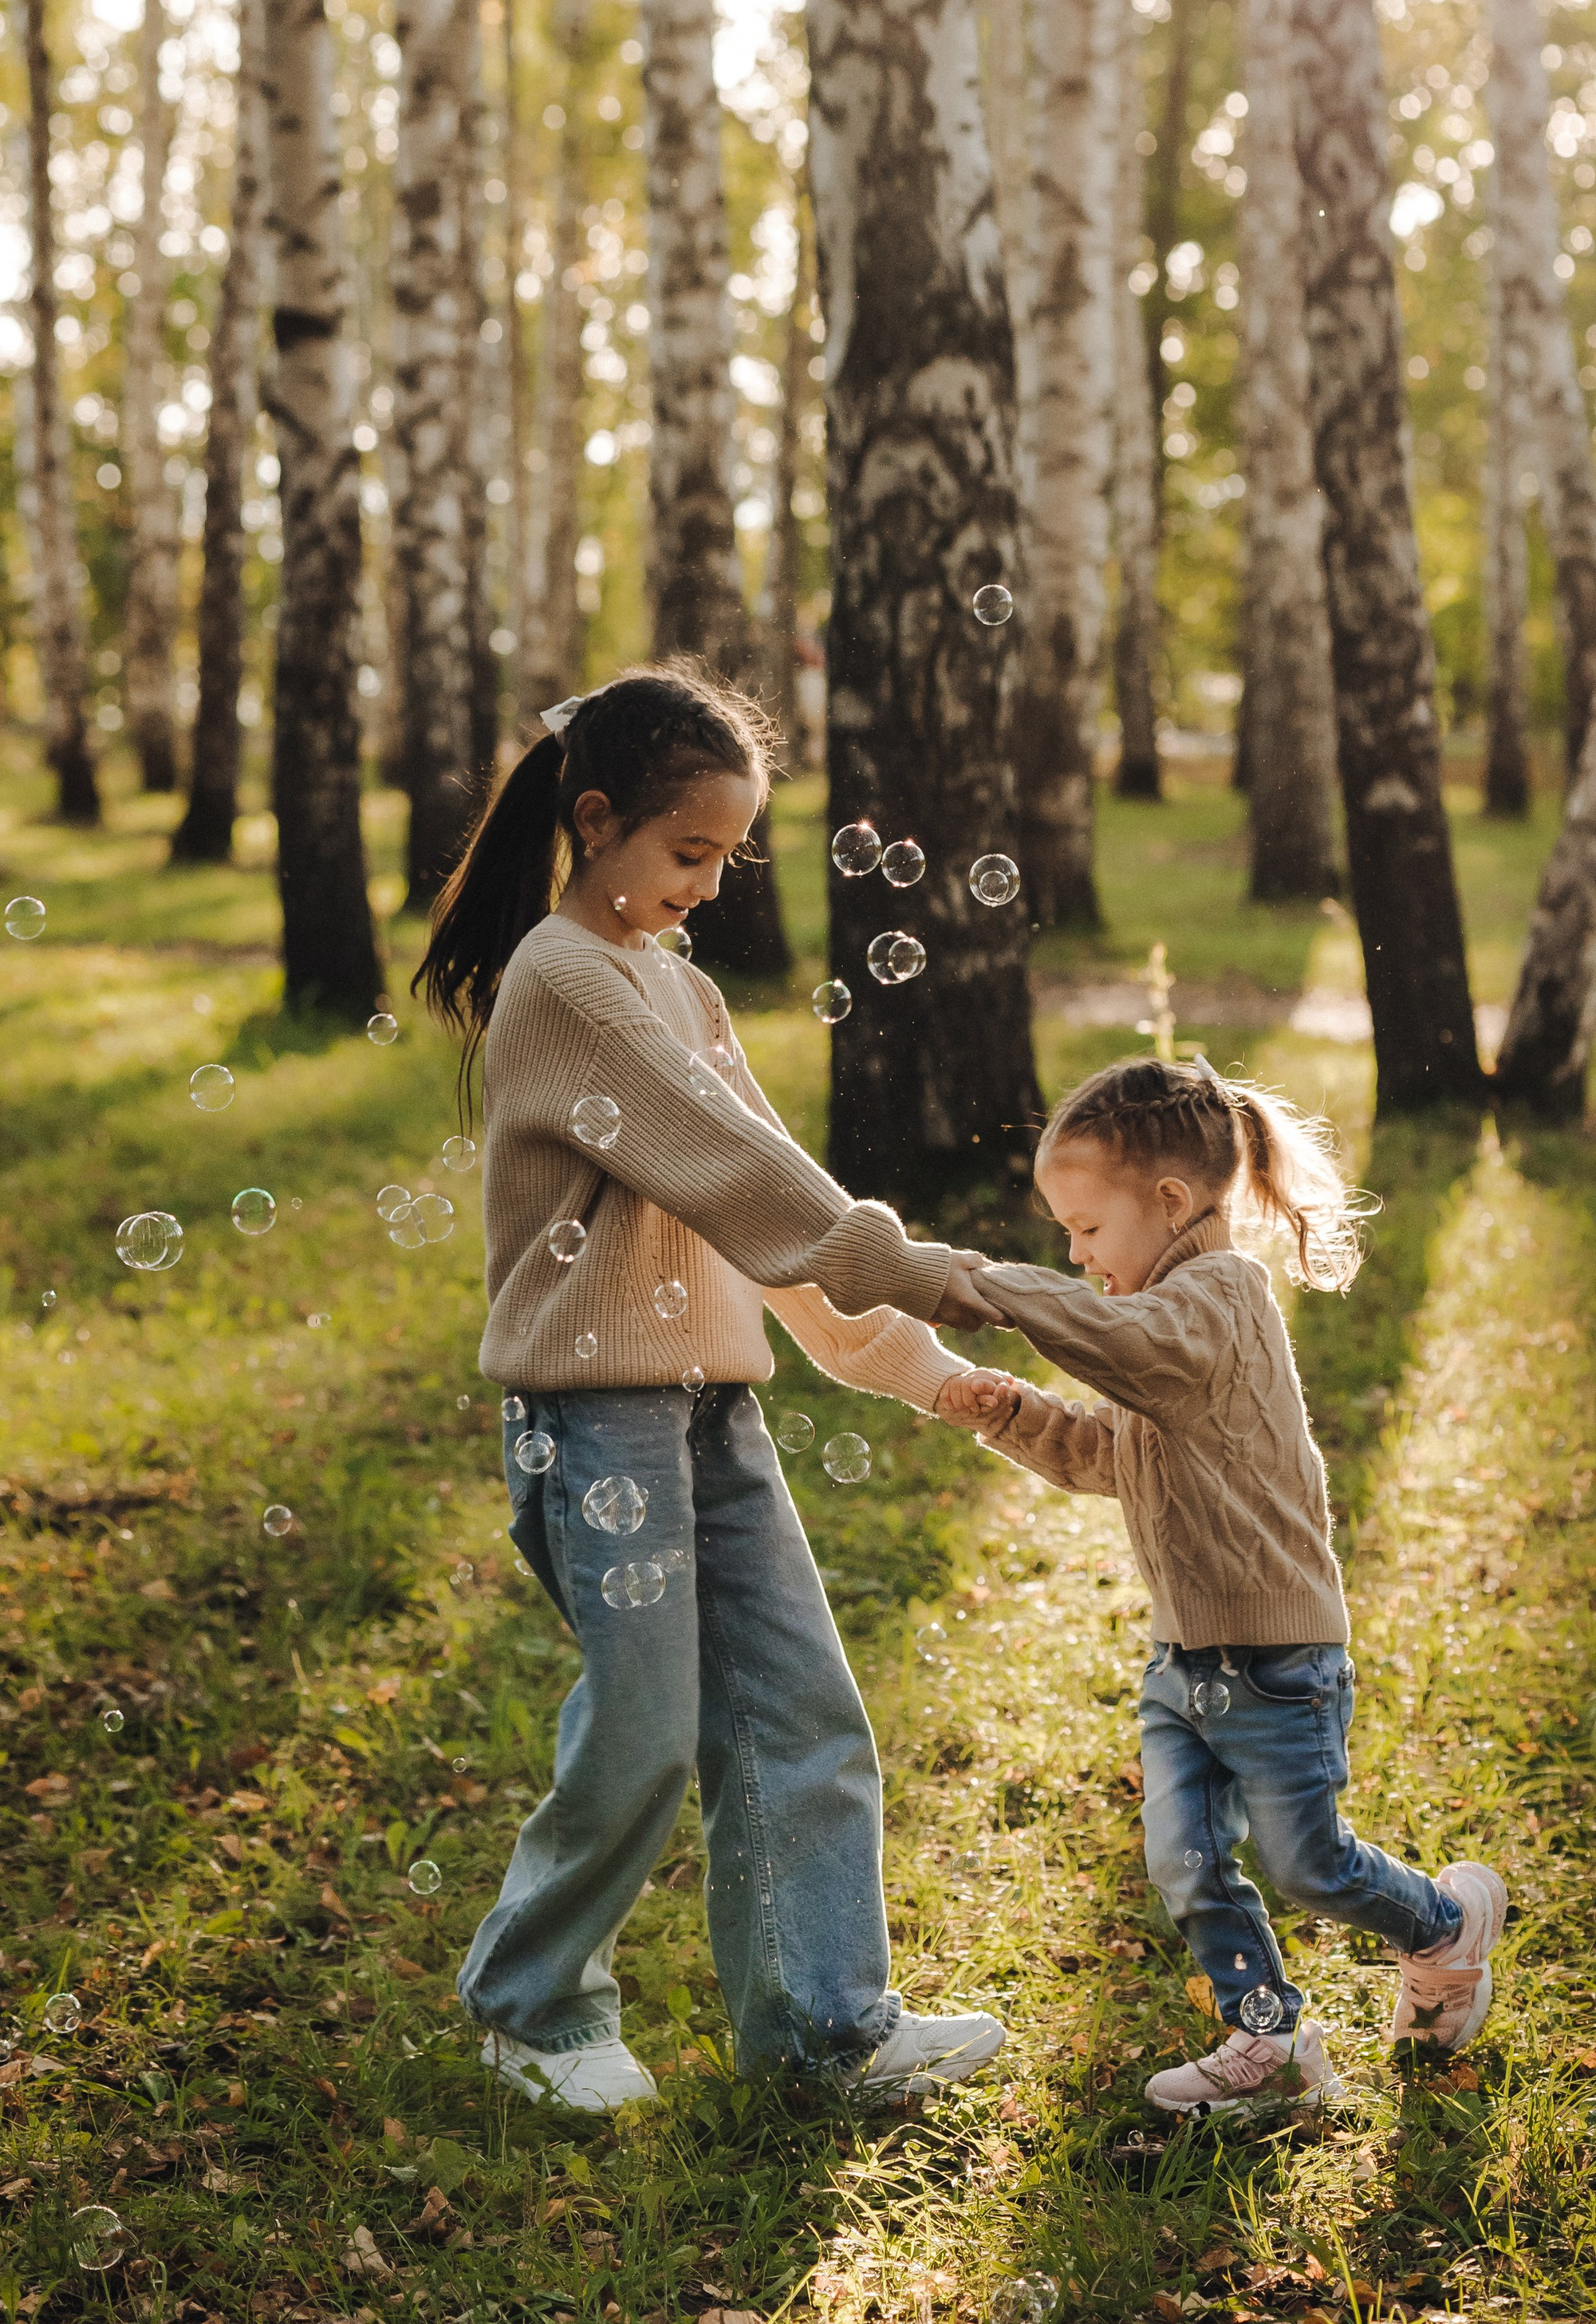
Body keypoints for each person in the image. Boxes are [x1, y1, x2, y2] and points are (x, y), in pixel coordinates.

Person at [415, 662, 1003, 2113]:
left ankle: (823, 2031)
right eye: (689, 851)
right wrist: (915, 1266)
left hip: (711, 1408)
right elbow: (748, 1180)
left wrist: (917, 1367)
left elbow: (766, 1213)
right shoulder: (565, 981)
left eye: (728, 858)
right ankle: (531, 2005)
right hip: (594, 1419)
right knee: (645, 1731)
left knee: (802, 1708)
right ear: (595, 821)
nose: (709, 886)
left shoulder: (679, 987)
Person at [932, 1056, 1506, 2113]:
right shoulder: (1161, 1328)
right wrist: (1012, 1414)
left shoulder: (1218, 1303)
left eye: (1087, 1228)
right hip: (1184, 1660)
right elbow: (1108, 1455)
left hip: (1278, 1658)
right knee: (1186, 1861)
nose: (1075, 1254)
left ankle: (1442, 1926)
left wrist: (981, 1285)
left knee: (1309, 1866)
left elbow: (1121, 1347)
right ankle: (1268, 2040)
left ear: (1170, 1202)